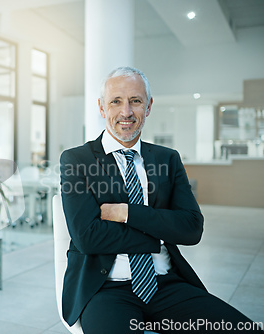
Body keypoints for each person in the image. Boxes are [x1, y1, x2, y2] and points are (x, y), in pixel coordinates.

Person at [59, 66, 263, 333]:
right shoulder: (77, 160)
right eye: (116, 101)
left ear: (149, 105)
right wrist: (159, 234)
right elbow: (87, 237)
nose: (126, 112)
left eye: (136, 101)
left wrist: (126, 213)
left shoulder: (168, 159)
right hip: (105, 289)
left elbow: (191, 228)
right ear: (101, 107)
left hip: (166, 284)